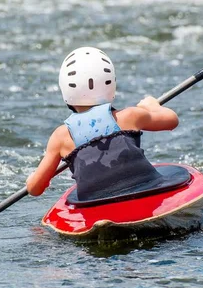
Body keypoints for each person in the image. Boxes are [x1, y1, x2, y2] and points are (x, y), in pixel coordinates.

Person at [26, 46, 179, 200]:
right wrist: (152, 106)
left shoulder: (60, 137)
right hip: (147, 190)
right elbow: (172, 120)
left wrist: (32, 178)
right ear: (110, 84)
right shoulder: (130, 116)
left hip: (96, 205)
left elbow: (34, 189)